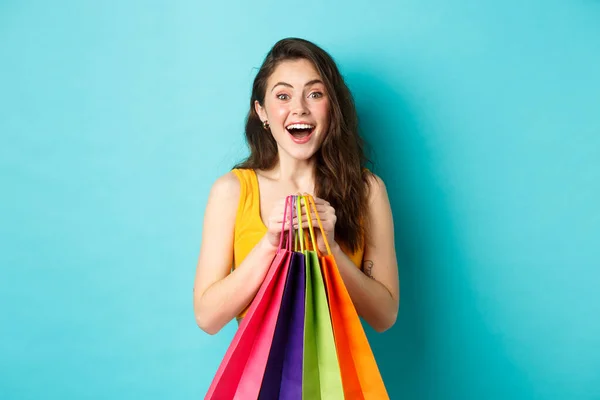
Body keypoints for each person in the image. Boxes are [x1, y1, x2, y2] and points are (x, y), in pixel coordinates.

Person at [193, 38, 399, 335]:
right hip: (260, 381)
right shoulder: (231, 191)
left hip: (342, 381)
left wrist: (332, 252)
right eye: (283, 96)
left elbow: (385, 315)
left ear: (333, 108)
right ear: (262, 111)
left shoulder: (368, 190)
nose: (300, 109)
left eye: (315, 94)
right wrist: (269, 245)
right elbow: (207, 318)